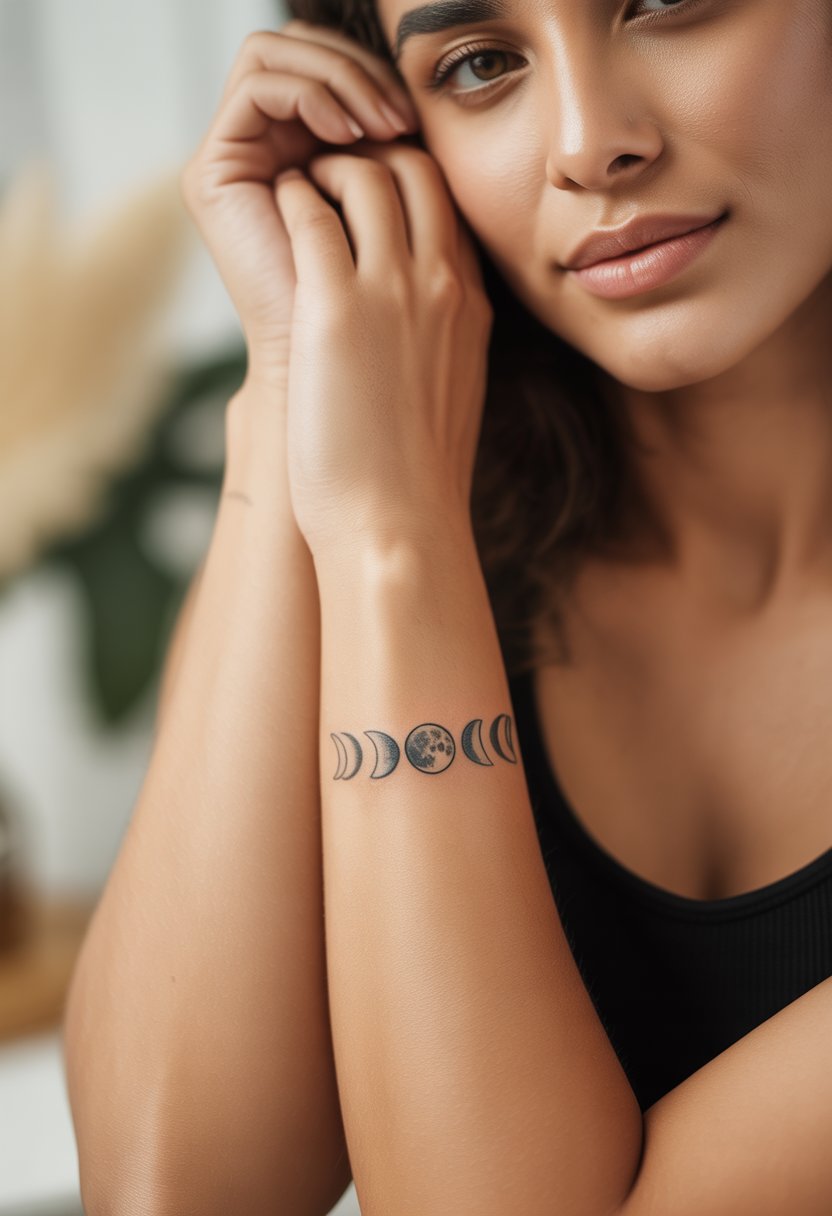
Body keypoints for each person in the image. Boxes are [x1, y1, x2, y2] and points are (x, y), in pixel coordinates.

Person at [63, 2, 832, 1213]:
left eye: (669, 2)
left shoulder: (402, 529)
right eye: (480, 64)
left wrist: (391, 542)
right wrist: (291, 366)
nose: (589, 142)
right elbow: (180, 1191)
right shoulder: (414, 511)